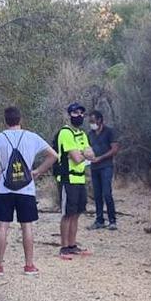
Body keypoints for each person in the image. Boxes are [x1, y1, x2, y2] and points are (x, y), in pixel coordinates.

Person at [0, 106, 58, 276]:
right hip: (26, 188)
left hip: (4, 189)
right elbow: (53, 156)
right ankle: (29, 265)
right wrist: (37, 171)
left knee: (2, 227)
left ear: (5, 121)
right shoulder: (32, 137)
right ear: (20, 120)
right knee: (26, 226)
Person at [54, 103, 95, 259]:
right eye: (76, 113)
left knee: (77, 213)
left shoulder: (82, 134)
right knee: (67, 213)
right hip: (67, 178)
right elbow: (77, 158)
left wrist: (82, 153)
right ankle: (64, 247)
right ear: (70, 115)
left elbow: (91, 154)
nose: (79, 116)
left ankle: (72, 244)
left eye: (81, 113)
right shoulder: (65, 133)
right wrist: (83, 153)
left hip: (80, 178)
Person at [86, 108, 120, 230]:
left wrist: (101, 158)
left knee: (107, 193)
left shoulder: (109, 132)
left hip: (106, 167)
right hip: (94, 167)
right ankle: (99, 220)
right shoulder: (90, 134)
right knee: (97, 194)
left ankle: (112, 220)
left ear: (100, 120)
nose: (91, 123)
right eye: (90, 121)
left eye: (93, 120)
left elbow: (115, 149)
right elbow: (87, 148)